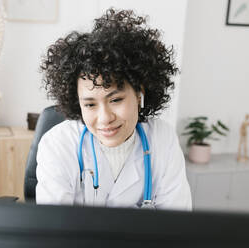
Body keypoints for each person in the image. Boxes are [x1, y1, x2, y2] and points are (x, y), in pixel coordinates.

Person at [36, 8, 192, 210]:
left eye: (116, 99)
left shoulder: (162, 139)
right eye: (90, 104)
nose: (104, 118)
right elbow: (53, 232)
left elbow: (177, 226)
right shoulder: (58, 144)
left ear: (139, 93)